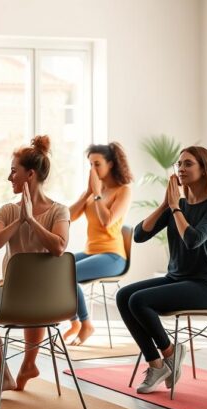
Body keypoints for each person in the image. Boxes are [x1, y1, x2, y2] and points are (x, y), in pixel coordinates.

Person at [117, 146, 207, 394]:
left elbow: (193, 239)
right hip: (176, 278)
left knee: (139, 301)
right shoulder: (175, 205)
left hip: (204, 286)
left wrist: (176, 208)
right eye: (179, 164)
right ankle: (157, 363)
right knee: (123, 296)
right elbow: (139, 235)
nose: (181, 168)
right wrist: (165, 205)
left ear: (204, 169)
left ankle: (170, 351)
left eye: (188, 163)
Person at [0, 135, 70, 401]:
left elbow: (59, 248)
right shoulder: (7, 211)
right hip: (16, 293)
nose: (9, 177)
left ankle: (25, 366)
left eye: (14, 170)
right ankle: (9, 374)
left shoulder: (59, 211)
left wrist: (32, 222)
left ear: (30, 174)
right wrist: (18, 221)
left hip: (47, 298)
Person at [64, 142, 133, 346]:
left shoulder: (123, 191)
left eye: (97, 164)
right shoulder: (95, 190)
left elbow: (107, 221)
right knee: (56, 267)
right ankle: (75, 322)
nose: (92, 170)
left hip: (113, 256)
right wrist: (88, 193)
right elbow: (68, 216)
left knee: (69, 274)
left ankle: (86, 324)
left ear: (110, 164)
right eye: (90, 165)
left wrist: (96, 194)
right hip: (91, 252)